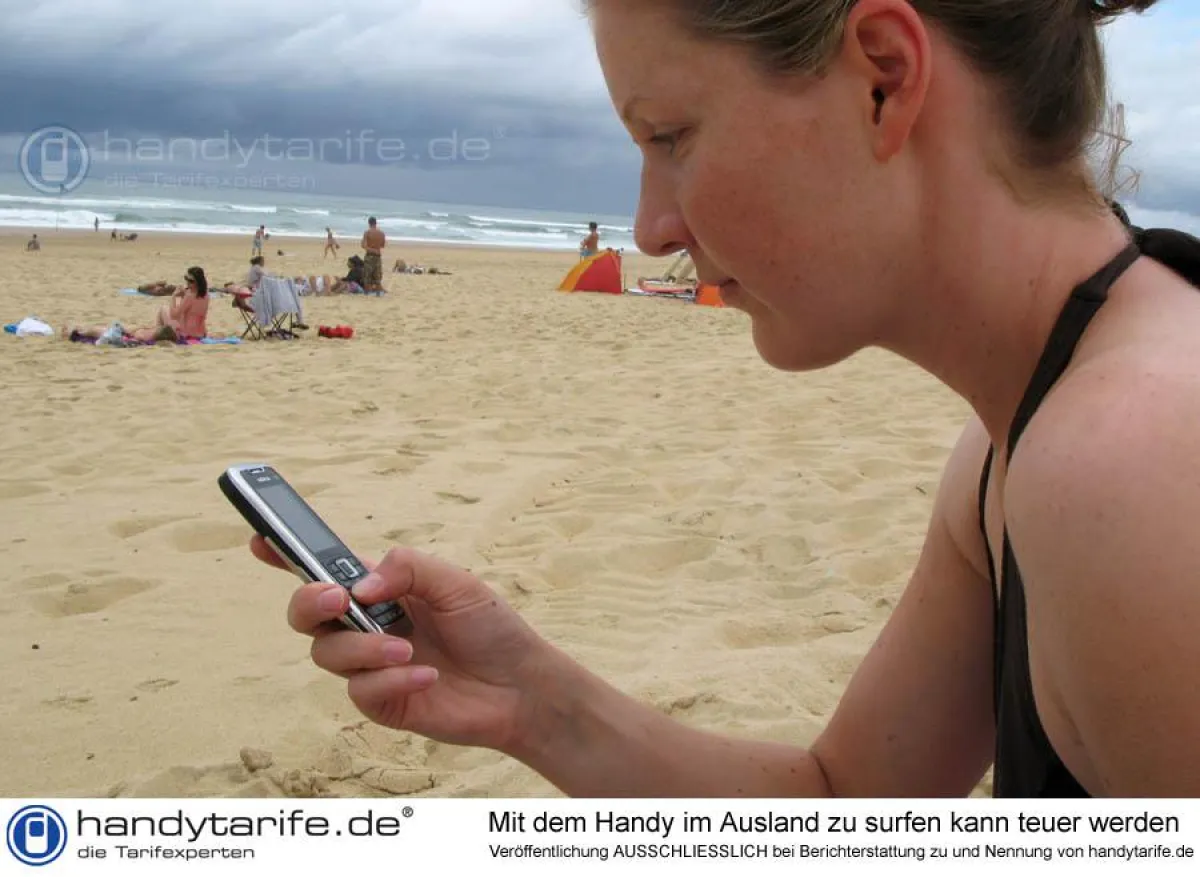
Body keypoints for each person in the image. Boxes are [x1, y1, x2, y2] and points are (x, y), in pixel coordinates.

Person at [251, 0, 1200, 798]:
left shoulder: (1133, 457)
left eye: (669, 137)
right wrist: (529, 700)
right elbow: (847, 799)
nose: (650, 228)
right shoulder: (1015, 447)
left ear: (883, 77)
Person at [156, 266, 209, 339]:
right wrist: (184, 295)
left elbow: (174, 315)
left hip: (186, 333)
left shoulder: (190, 296)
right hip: (201, 332)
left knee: (163, 309)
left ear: (198, 282)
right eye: (186, 279)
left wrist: (173, 296)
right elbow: (192, 309)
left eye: (191, 281)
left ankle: (158, 334)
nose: (188, 282)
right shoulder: (206, 295)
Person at [361, 217, 386, 292]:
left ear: (369, 223)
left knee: (367, 276)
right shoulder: (381, 233)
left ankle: (367, 292)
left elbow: (364, 246)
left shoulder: (367, 233)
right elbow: (382, 245)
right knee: (377, 276)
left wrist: (372, 249)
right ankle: (378, 292)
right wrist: (376, 248)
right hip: (378, 256)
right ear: (376, 223)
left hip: (369, 256)